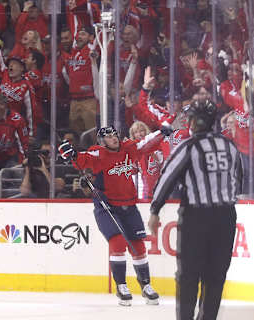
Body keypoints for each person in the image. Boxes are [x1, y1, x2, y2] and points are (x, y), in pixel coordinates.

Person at [148, 100, 243, 320]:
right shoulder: (230, 146)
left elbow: (167, 178)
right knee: (216, 275)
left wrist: (155, 210)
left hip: (196, 217)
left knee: (189, 275)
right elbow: (238, 181)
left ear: (195, 121)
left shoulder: (189, 146)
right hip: (226, 216)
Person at [59, 124, 171, 306]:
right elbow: (81, 159)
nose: (114, 138)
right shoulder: (99, 153)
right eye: (109, 137)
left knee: (139, 246)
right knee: (118, 242)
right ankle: (121, 286)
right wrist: (70, 154)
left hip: (129, 204)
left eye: (115, 135)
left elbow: (145, 143)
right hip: (107, 206)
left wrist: (161, 132)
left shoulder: (128, 148)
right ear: (102, 141)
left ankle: (146, 285)